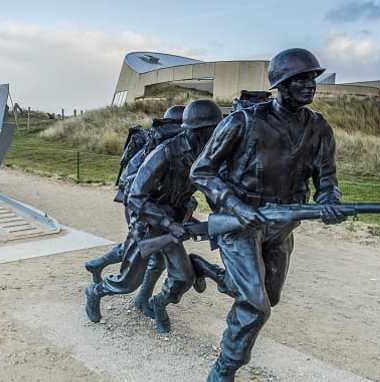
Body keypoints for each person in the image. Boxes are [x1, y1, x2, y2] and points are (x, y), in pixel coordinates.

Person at [190, 48, 345, 381]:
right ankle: (223, 369)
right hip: (242, 222)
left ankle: (207, 270)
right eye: (300, 79)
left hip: (283, 223)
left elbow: (327, 177)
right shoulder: (243, 121)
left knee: (268, 296)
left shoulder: (318, 127)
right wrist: (236, 205)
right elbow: (201, 171)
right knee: (255, 305)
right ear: (281, 84)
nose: (310, 85)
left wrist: (331, 200)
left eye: (312, 78)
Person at [85, 99, 223, 333]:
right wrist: (167, 222)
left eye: (215, 131)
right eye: (208, 131)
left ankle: (158, 304)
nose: (214, 137)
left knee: (182, 277)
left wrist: (221, 217)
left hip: (174, 226)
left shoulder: (206, 156)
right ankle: (95, 291)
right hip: (149, 224)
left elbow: (212, 190)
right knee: (127, 282)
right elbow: (135, 197)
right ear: (192, 130)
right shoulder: (166, 153)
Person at [84, 105, 185, 314]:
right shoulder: (159, 145)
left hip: (161, 210)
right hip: (142, 207)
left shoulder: (183, 148)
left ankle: (140, 297)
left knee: (153, 255)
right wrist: (143, 214)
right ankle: (102, 288)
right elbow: (131, 183)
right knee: (139, 252)